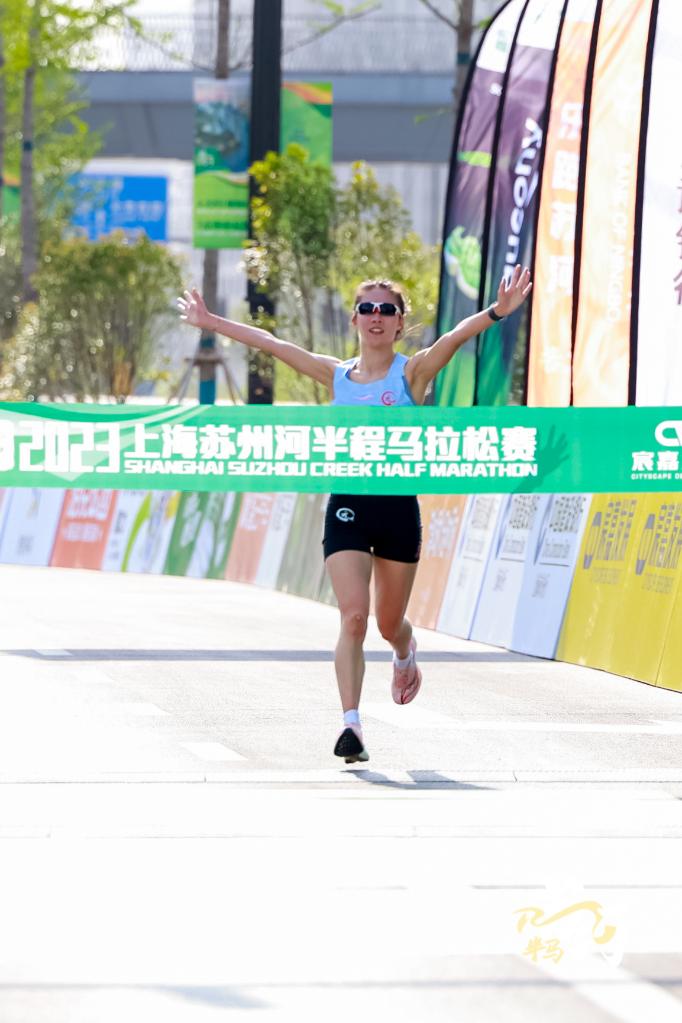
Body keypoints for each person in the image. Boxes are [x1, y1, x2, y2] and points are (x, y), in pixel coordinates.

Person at [177, 265, 532, 764]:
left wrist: (497, 312)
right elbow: (273, 344)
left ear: (399, 321)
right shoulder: (336, 375)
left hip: (398, 510)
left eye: (387, 309)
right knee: (354, 617)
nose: (376, 316)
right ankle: (352, 725)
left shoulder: (412, 373)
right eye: (367, 308)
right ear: (355, 319)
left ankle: (405, 651)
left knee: (388, 624)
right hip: (348, 507)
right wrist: (211, 322)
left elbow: (454, 338)